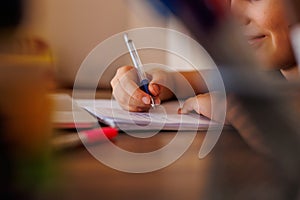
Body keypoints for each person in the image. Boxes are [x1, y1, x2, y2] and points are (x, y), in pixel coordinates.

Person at [111, 0, 299, 122]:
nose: (235, 16)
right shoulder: (269, 76)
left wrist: (247, 110)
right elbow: (205, 79)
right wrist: (156, 82)